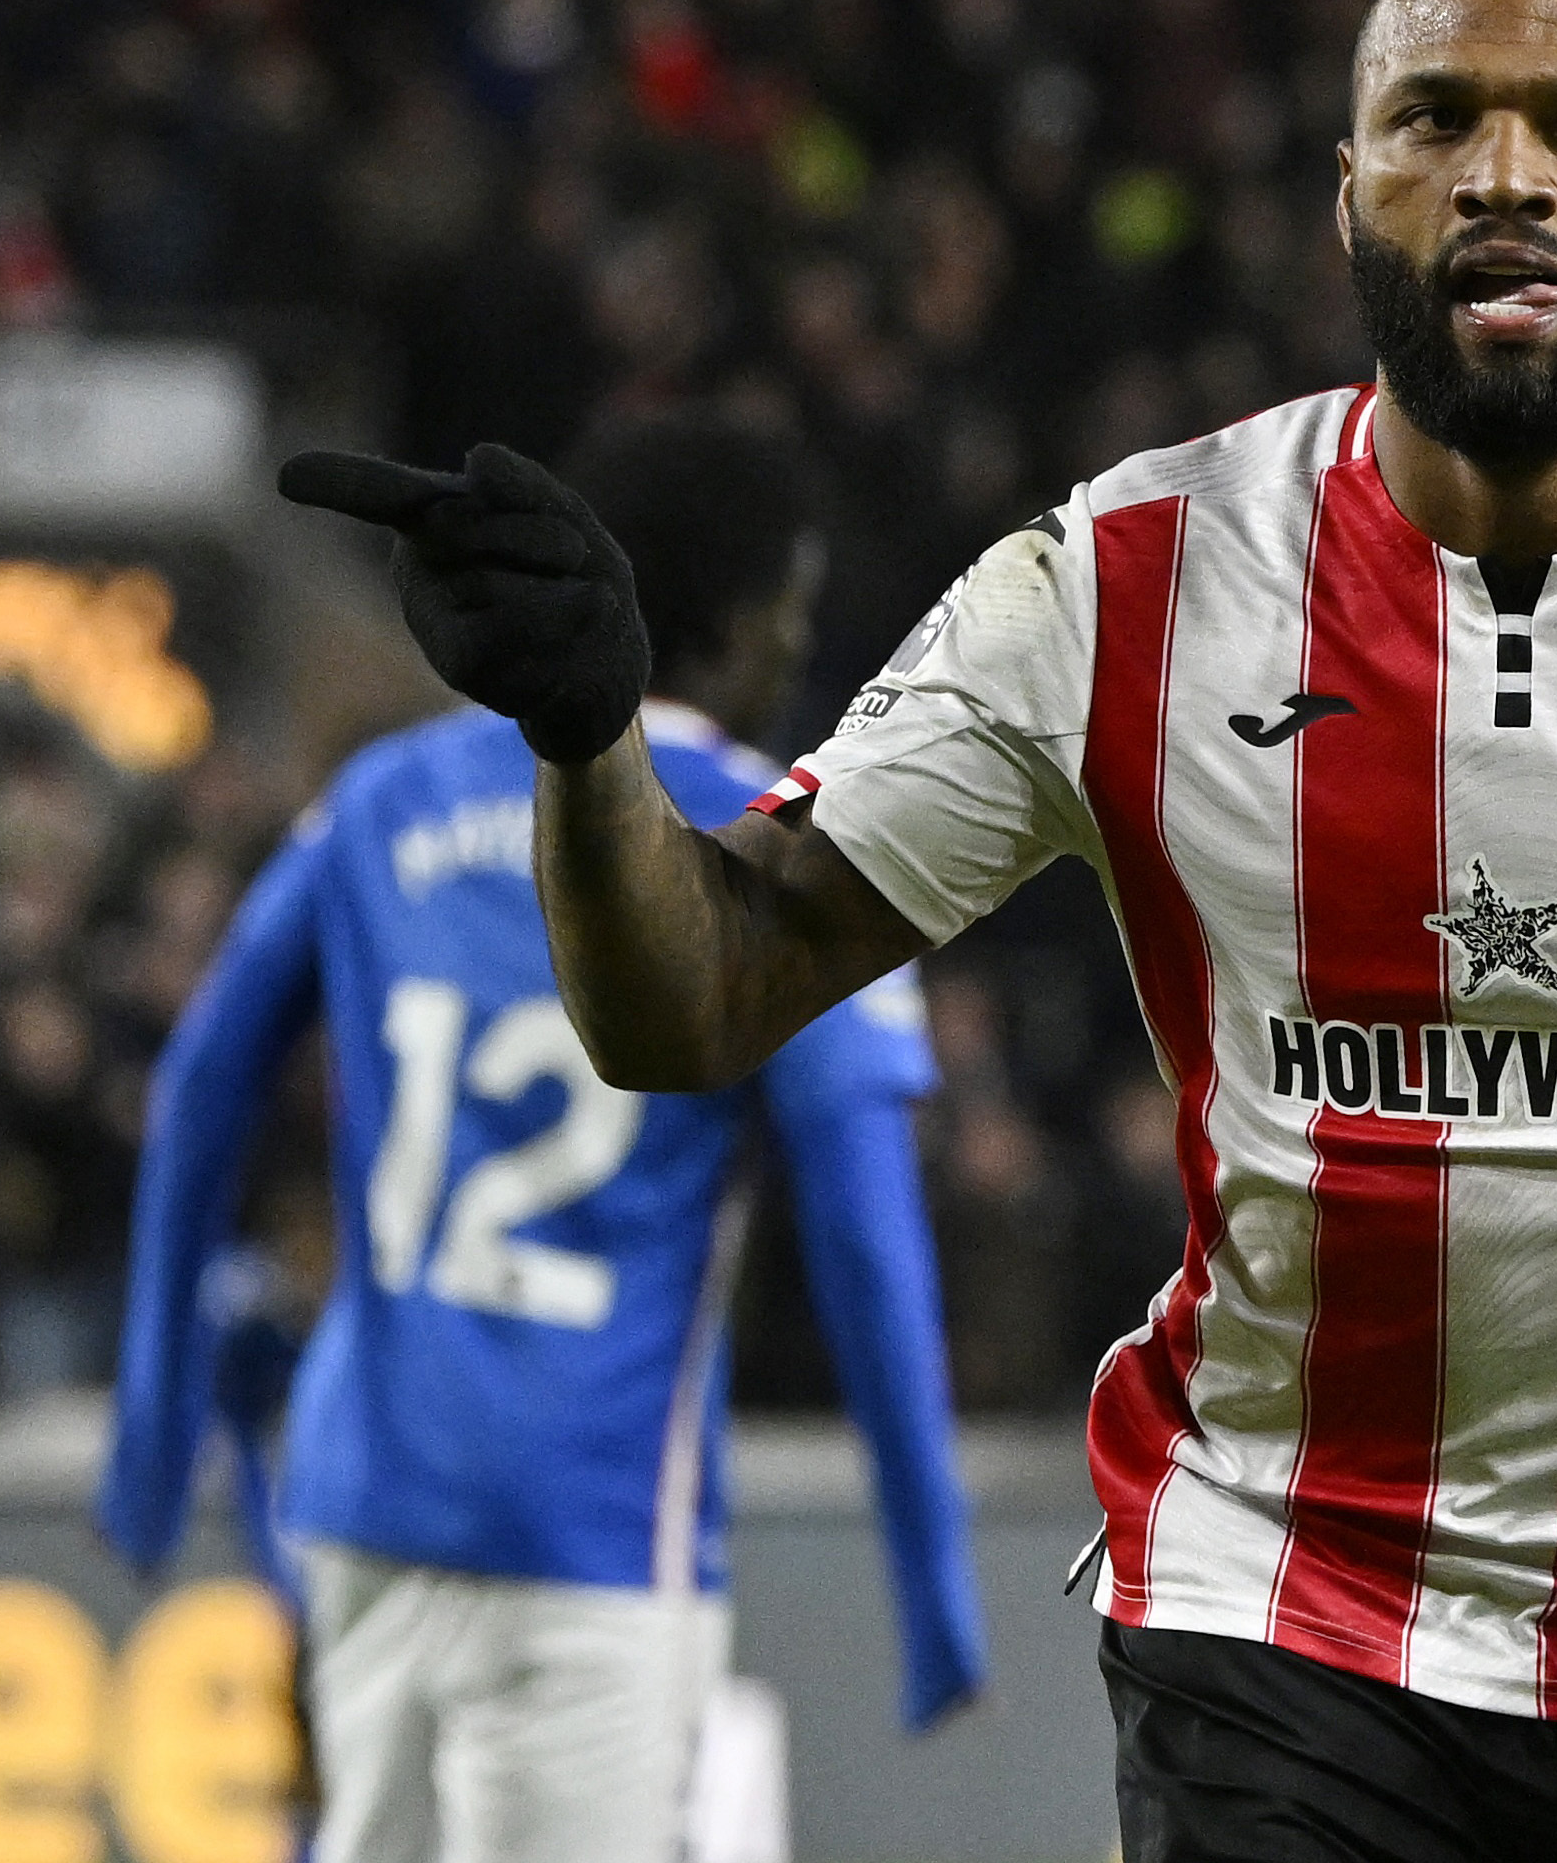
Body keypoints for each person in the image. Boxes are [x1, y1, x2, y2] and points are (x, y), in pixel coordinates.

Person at [286, 0, 1557, 1863]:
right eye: (1435, 117)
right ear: (1348, 187)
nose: (1504, 176)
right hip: (1271, 1622)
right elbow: (693, 992)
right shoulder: (1125, 577)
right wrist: (585, 740)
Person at [99, 418, 985, 1863]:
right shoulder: (795, 844)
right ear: (747, 617)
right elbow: (865, 1235)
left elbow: (202, 1077)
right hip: (593, 1530)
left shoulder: (379, 798)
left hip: (361, 1510)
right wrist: (932, 1569)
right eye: (795, 611)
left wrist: (152, 1420)